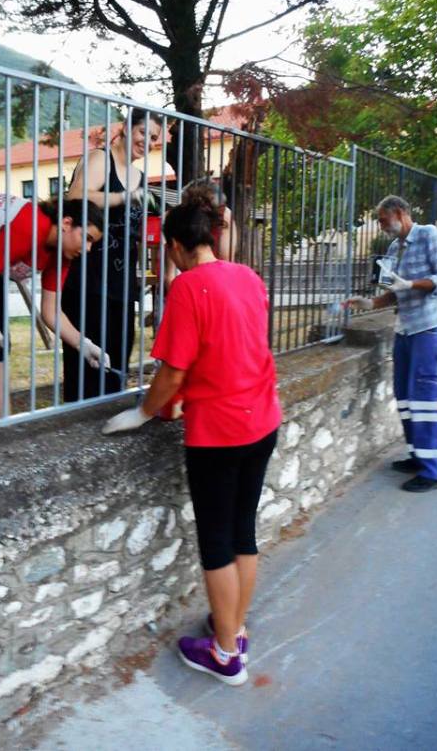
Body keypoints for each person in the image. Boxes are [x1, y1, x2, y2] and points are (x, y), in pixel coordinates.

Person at [103, 188, 282, 686]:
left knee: (217, 543)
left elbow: (173, 371)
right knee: (243, 533)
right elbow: (230, 347)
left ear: (176, 246)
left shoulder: (188, 287)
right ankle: (234, 629)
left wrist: (143, 412)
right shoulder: (247, 277)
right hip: (262, 419)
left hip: (220, 432)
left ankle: (225, 655)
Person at [0, 195, 106, 423]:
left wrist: (83, 344)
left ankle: (4, 430)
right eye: (87, 238)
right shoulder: (31, 226)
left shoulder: (62, 252)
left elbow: (51, 312)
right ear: (66, 223)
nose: (88, 249)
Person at [344, 195, 437, 492]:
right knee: (405, 397)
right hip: (405, 329)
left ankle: (434, 472)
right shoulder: (395, 248)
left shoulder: (429, 235)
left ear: (400, 213)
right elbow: (394, 291)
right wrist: (369, 303)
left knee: (426, 399)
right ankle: (419, 456)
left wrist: (411, 284)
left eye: (383, 220)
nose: (381, 226)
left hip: (430, 328)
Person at [62, 108, 163, 401]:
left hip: (122, 284)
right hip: (88, 281)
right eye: (144, 132)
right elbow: (75, 196)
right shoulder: (100, 159)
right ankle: (79, 422)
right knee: (86, 367)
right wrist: (122, 197)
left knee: (117, 362)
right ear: (127, 128)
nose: (147, 142)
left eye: (154, 138)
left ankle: (107, 416)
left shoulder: (140, 176)